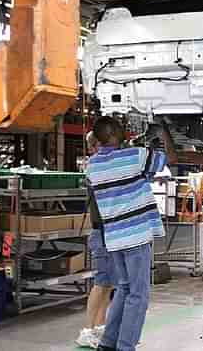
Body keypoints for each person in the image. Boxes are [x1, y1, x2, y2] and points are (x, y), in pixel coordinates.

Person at [86, 117, 177, 351]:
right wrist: (164, 131)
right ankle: (126, 346)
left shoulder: (92, 165)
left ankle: (107, 343)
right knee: (139, 295)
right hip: (135, 237)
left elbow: (135, 178)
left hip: (114, 238)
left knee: (125, 289)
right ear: (120, 135)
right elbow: (172, 159)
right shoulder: (135, 156)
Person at [76, 132, 115, 349]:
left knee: (108, 283)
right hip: (101, 233)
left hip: (109, 232)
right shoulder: (95, 167)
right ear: (94, 146)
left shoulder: (102, 166)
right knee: (101, 283)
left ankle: (100, 327)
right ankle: (87, 330)